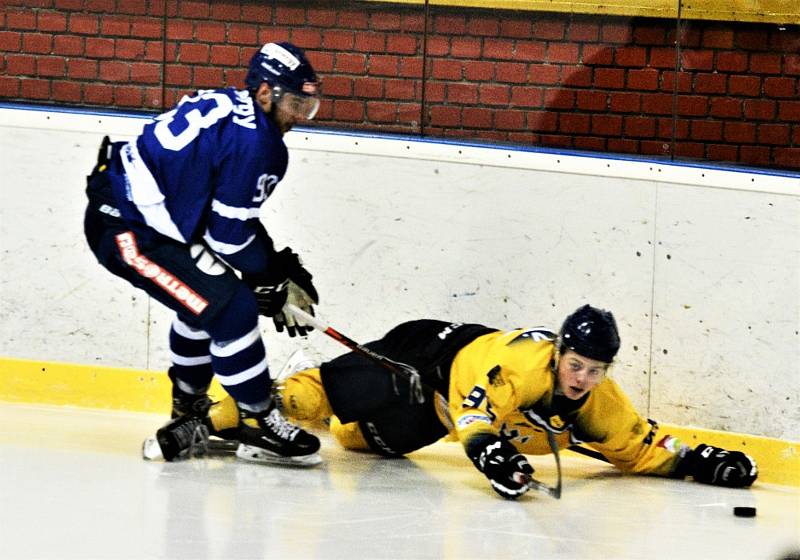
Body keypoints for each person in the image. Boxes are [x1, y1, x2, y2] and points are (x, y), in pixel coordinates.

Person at [204, 304, 758, 498]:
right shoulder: (521, 364)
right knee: (317, 397)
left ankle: (291, 422)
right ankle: (216, 411)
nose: (582, 378)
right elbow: (476, 416)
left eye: (595, 371)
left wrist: (700, 461)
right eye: (576, 365)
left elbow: (637, 447)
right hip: (424, 358)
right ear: (560, 352)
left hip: (433, 415)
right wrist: (493, 455)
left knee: (355, 438)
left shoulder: (597, 402)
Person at [83, 42, 325, 467]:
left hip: (140, 217)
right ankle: (257, 421)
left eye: (308, 106)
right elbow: (229, 236)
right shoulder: (260, 143)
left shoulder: (235, 107)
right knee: (232, 308)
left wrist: (272, 266)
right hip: (127, 230)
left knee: (206, 305)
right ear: (266, 93)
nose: (298, 117)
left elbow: (226, 219)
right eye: (294, 104)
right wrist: (269, 277)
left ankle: (188, 411)